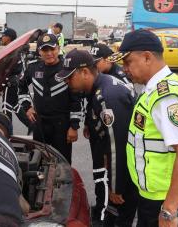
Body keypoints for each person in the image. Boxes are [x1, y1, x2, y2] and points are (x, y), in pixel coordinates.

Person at [111, 29, 178, 227]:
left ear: (146, 57)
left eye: (128, 62)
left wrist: (169, 210)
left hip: (171, 201)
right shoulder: (152, 89)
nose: (124, 68)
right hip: (156, 196)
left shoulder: (167, 96)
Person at [55, 49, 138, 226]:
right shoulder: (99, 86)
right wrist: (89, 123)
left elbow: (118, 147)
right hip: (111, 160)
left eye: (69, 77)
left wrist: (116, 188)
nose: (67, 82)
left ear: (84, 72)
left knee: (119, 219)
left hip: (124, 173)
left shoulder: (108, 98)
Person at [18, 33, 82, 164]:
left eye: (52, 49)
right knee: (39, 161)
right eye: (44, 50)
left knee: (62, 162)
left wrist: (74, 126)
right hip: (40, 123)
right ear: (39, 51)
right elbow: (22, 88)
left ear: (58, 48)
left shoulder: (67, 68)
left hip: (62, 125)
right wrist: (27, 107)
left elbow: (76, 99)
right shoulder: (32, 67)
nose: (49, 53)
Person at [0, 28, 30, 128]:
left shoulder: (11, 51)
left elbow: (7, 70)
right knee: (15, 106)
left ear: (8, 38)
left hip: (10, 82)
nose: (2, 38)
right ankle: (32, 125)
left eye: (3, 36)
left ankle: (7, 132)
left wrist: (2, 86)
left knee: (6, 108)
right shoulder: (18, 49)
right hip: (17, 81)